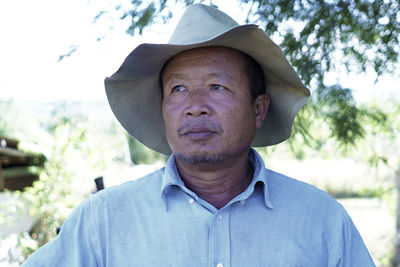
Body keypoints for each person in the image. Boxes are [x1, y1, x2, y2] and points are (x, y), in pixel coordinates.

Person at [22, 4, 375, 267]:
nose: (194, 106)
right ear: (162, 108)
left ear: (258, 109)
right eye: (177, 89)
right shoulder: (102, 221)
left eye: (217, 86)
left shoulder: (321, 220)